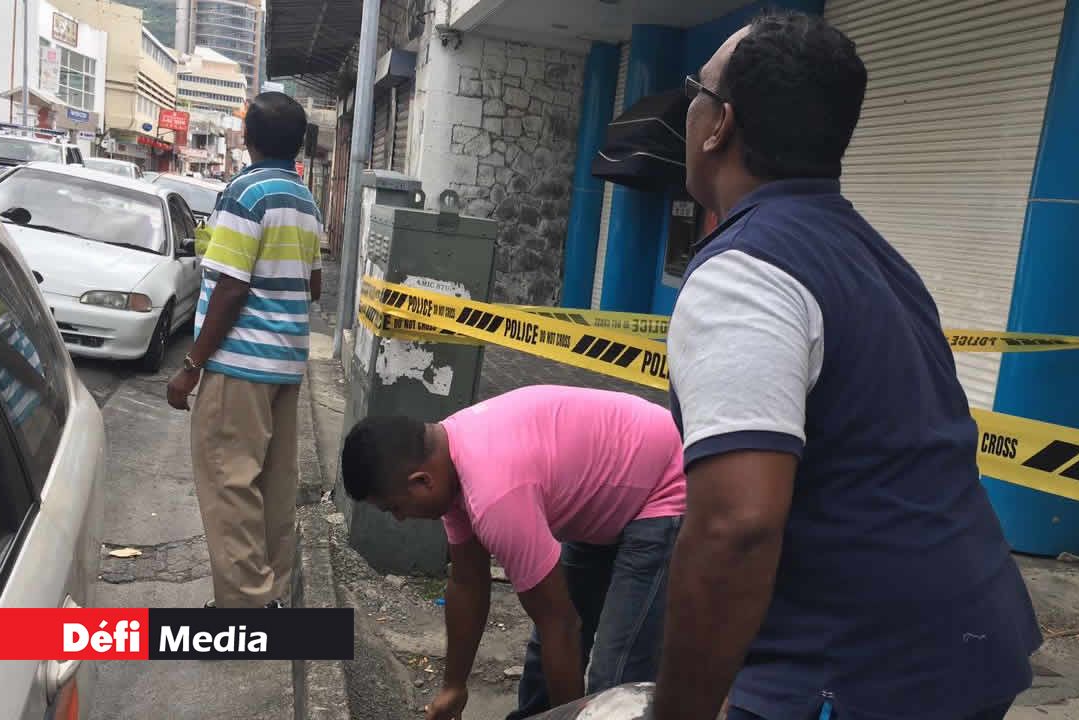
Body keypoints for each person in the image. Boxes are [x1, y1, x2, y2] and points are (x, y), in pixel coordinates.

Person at [653, 12, 1041, 720]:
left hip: (855, 674)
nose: (689, 110)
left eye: (694, 92)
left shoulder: (745, 274)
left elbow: (736, 527)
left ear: (719, 125)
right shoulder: (874, 257)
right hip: (968, 648)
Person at [340, 385, 686, 720]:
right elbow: (467, 583)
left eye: (395, 508)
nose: (400, 519)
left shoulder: (495, 496)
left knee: (614, 679)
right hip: (607, 489)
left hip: (663, 485)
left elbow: (561, 624)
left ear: (422, 481)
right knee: (546, 654)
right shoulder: (449, 459)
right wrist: (453, 687)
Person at [166, 92, 323, 609]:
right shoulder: (304, 199)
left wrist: (191, 366)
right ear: (298, 143)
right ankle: (270, 594)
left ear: (248, 139)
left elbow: (231, 289)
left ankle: (246, 609)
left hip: (240, 364)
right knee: (274, 486)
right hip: (286, 366)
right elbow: (314, 285)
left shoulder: (245, 192)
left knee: (228, 484)